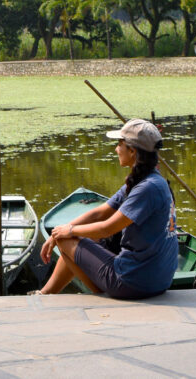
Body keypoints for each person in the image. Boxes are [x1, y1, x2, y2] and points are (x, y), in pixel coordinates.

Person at [34, 118, 178, 299]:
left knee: (66, 240)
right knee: (72, 235)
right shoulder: (149, 180)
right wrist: (64, 229)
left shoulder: (147, 188)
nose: (116, 149)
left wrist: (66, 232)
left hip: (135, 283)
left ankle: (103, 294)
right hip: (157, 280)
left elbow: (106, 228)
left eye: (119, 144)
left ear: (132, 151)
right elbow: (100, 212)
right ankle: (45, 294)